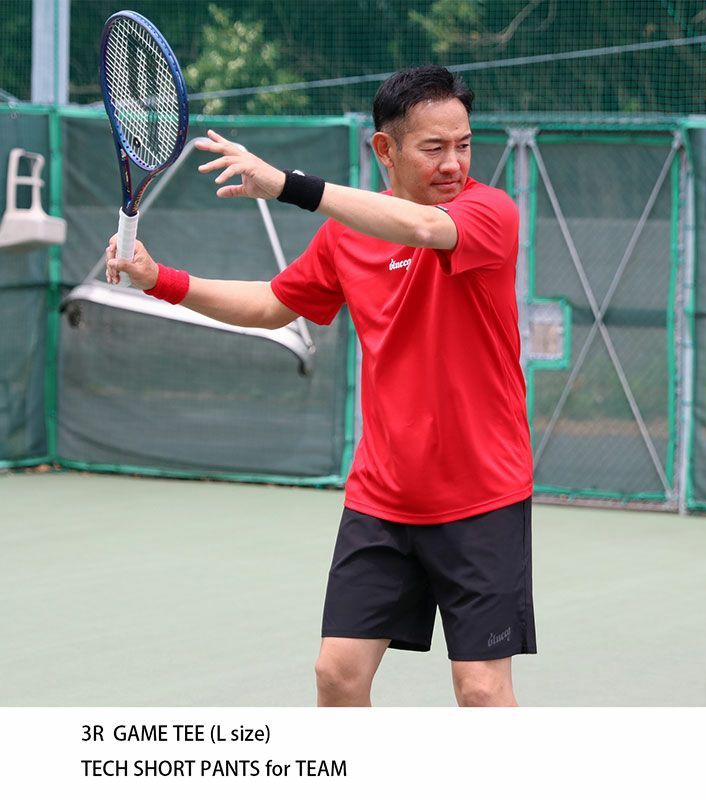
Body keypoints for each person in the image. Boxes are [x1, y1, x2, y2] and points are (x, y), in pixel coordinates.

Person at [106, 65, 535, 707]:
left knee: (480, 691)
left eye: (464, 144)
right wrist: (158, 279)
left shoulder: (490, 212)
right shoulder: (347, 235)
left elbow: (422, 229)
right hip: (383, 498)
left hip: (481, 498)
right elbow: (271, 304)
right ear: (385, 149)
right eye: (434, 147)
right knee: (337, 674)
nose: (453, 163)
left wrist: (285, 184)